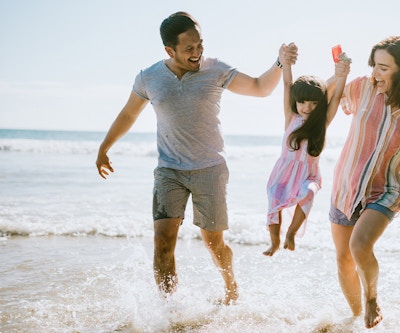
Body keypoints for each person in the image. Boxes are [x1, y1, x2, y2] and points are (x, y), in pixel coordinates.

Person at [95, 11, 298, 305]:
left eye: (200, 45)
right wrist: (104, 147)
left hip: (210, 169)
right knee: (163, 242)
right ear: (169, 50)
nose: (197, 53)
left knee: (214, 243)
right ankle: (168, 309)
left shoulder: (215, 70)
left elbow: (259, 87)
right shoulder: (149, 77)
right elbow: (129, 114)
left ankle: (231, 289)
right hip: (169, 170)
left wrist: (280, 62)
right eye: (189, 48)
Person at [327, 36, 400, 328]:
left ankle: (372, 299)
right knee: (344, 259)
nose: (376, 72)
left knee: (359, 246)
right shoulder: (363, 87)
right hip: (346, 185)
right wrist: (339, 75)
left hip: (386, 189)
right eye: (374, 65)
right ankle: (355, 319)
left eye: (384, 68)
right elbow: (328, 94)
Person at [262, 44, 350, 256]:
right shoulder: (290, 118)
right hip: (283, 171)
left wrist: (342, 75)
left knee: (309, 193)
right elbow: (286, 84)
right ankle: (274, 241)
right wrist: (287, 64)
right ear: (296, 102)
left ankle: (291, 233)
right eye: (302, 102)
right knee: (274, 200)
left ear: (319, 104)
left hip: (308, 174)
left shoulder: (322, 123)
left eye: (313, 103)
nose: (307, 108)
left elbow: (336, 97)